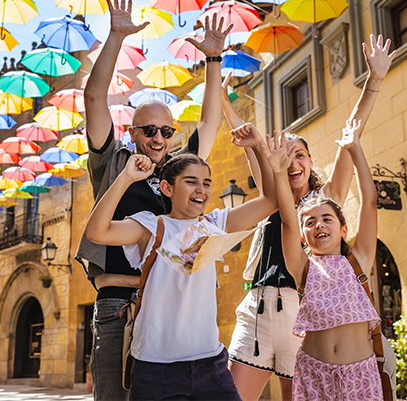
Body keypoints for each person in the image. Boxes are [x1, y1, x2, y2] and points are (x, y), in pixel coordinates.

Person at [75, 0, 232, 401]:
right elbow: (94, 99)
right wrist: (116, 37)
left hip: (173, 308)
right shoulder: (113, 159)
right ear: (133, 132)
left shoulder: (179, 172)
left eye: (166, 131)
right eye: (149, 130)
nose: (158, 139)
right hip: (118, 305)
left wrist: (213, 60)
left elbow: (211, 122)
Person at [224, 35, 397, 401]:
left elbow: (351, 134)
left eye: (300, 154)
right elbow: (250, 146)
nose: (293, 162)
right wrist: (224, 102)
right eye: (286, 156)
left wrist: (374, 83)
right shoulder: (273, 197)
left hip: (301, 312)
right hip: (259, 305)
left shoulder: (326, 201)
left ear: (310, 161)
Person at [82, 123, 291, 401]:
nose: (201, 190)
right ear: (167, 188)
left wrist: (255, 148)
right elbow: (96, 231)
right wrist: (126, 177)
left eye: (206, 183)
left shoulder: (214, 223)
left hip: (210, 362)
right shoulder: (151, 226)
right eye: (191, 181)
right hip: (157, 367)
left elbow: (273, 200)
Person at [276, 119, 382, 400]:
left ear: (343, 229)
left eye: (327, 219)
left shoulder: (358, 260)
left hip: (360, 375)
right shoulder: (302, 268)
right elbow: (288, 220)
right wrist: (277, 173)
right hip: (313, 374)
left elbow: (369, 201)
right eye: (310, 222)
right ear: (302, 236)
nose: (319, 225)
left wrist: (355, 150)